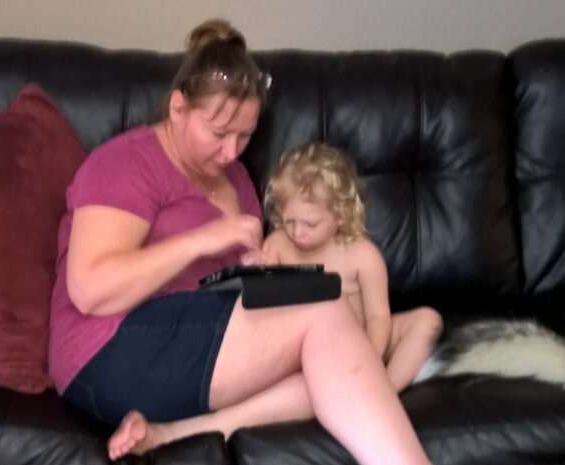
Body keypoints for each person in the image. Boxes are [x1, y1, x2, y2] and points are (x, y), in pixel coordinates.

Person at [48, 17, 436, 465]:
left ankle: (171, 434)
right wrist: (201, 240)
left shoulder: (236, 179)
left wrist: (257, 270)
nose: (232, 151)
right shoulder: (126, 163)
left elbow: (234, 291)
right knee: (326, 311)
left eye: (245, 135)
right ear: (178, 108)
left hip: (194, 343)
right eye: (218, 133)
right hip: (105, 351)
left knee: (329, 368)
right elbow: (90, 290)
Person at [260, 142, 443, 392]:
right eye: (290, 221)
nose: (297, 232)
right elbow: (264, 307)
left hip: (363, 341)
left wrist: (369, 358)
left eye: (310, 224)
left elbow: (378, 317)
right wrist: (258, 268)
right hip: (305, 349)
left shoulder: (363, 255)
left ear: (340, 215)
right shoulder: (278, 244)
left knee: (427, 321)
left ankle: (384, 391)